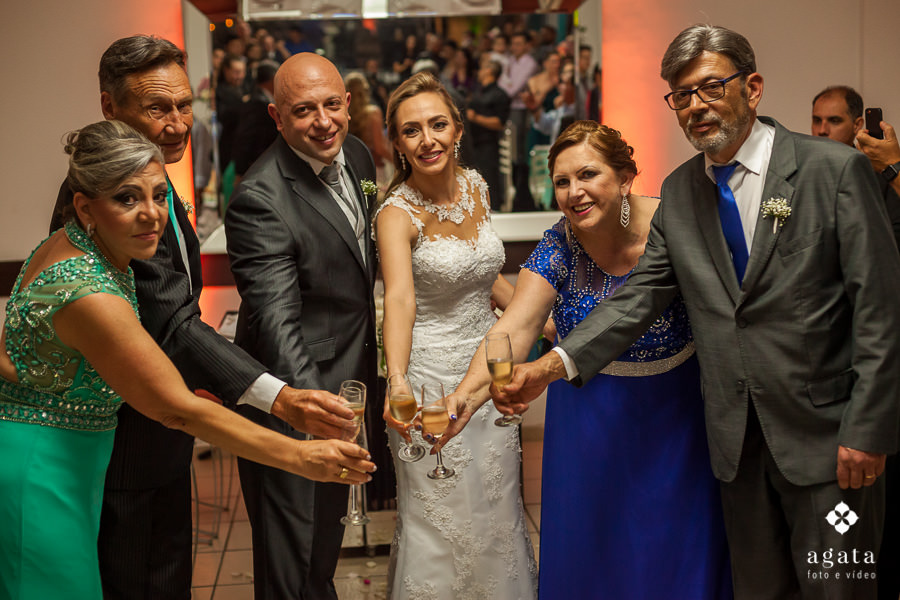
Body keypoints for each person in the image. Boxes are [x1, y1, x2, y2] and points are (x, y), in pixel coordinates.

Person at [493, 24, 900, 599]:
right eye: (682, 95)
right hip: (736, 451)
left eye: (711, 87)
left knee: (839, 590)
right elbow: (639, 298)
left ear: (752, 87)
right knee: (759, 591)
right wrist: (549, 366)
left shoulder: (831, 171)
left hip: (829, 445)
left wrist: (868, 429)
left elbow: (880, 309)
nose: (696, 106)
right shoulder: (681, 192)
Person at [0, 119, 374, 600]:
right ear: (85, 207)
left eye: (159, 196)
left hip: (61, 460)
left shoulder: (73, 246)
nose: (151, 215)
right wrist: (300, 455)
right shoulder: (90, 294)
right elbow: (178, 408)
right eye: (127, 199)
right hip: (43, 474)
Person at [441, 121, 732, 598]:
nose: (574, 192)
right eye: (562, 181)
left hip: (676, 421)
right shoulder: (560, 245)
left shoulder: (674, 225)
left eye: (588, 175)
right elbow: (514, 327)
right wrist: (465, 398)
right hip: (587, 424)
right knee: (594, 554)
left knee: (674, 551)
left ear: (625, 177)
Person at [374, 71, 537, 599]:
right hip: (432, 382)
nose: (428, 140)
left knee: (497, 509)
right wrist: (397, 379)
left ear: (458, 130)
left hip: (491, 373)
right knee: (440, 520)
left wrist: (541, 319)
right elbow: (400, 300)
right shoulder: (395, 214)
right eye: (412, 130)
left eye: (438, 125)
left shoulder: (476, 186)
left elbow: (485, 276)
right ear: (398, 143)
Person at [224, 53, 378, 600]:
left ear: (348, 103)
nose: (323, 122)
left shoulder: (357, 155)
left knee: (321, 558)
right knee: (290, 569)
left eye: (332, 105)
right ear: (277, 117)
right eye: (304, 110)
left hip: (348, 385)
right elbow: (276, 324)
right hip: (295, 407)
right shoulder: (259, 198)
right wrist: (316, 416)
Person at [467, 59, 511, 211]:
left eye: (482, 69)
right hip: (474, 142)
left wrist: (475, 118)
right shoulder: (478, 91)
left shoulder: (500, 95)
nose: (479, 72)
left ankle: (494, 208)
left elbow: (500, 123)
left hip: (488, 143)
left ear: (489, 71)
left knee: (490, 178)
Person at [345, 71, 391, 187]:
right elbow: (379, 148)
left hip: (352, 168)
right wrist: (398, 162)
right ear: (365, 90)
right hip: (374, 167)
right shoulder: (373, 113)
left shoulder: (344, 115)